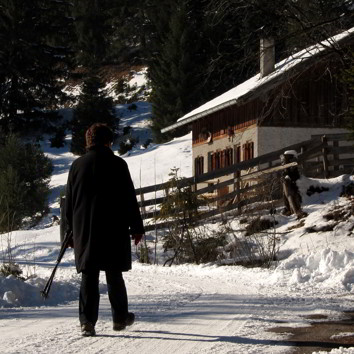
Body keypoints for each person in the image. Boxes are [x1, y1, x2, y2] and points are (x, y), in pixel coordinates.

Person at [65, 123, 144, 337]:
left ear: (88, 141)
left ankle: (87, 322)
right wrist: (137, 227)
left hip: (85, 231)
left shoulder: (77, 166)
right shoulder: (118, 164)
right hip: (113, 229)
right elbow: (129, 199)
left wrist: (68, 233)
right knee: (114, 274)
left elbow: (69, 204)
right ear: (109, 141)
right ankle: (120, 318)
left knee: (89, 275)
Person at [280, 150, 306, 219]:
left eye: (284, 160)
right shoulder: (285, 168)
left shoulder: (292, 165)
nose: (283, 162)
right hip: (288, 182)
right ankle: (290, 209)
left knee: (291, 196)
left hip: (292, 183)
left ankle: (296, 211)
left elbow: (294, 173)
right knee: (287, 195)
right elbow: (285, 172)